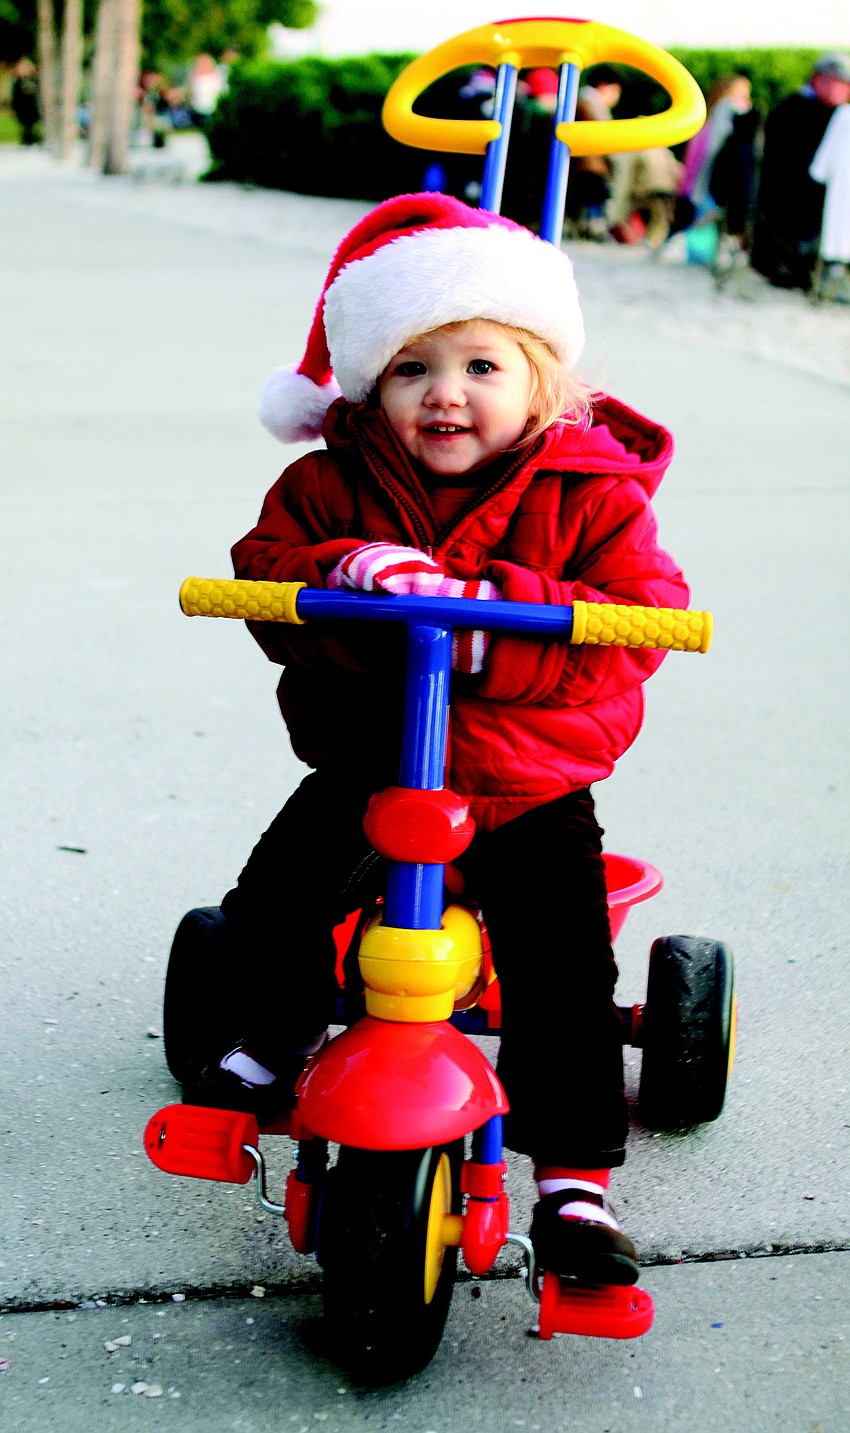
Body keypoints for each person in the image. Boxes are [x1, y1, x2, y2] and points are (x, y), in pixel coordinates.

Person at [187, 192, 689, 1287]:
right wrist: (343, 572)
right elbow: (264, 573)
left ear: (543, 382)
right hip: (372, 759)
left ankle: (573, 1183)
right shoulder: (329, 483)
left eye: (480, 365)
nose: (444, 392)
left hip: (523, 782)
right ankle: (274, 1041)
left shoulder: (594, 492)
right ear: (371, 388)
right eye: (412, 369)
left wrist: (479, 616)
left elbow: (637, 620)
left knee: (561, 970)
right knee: (272, 902)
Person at [751, 52, 850, 290]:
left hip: (796, 201)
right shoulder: (799, 110)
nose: (844, 90)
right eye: (839, 82)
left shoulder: (809, 109)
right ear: (817, 80)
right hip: (790, 206)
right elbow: (809, 171)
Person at [564, 65, 623, 239]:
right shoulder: (592, 105)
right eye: (615, 91)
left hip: (578, 166)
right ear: (603, 86)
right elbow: (605, 138)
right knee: (593, 205)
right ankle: (591, 230)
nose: (616, 97)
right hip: (591, 167)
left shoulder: (577, 101)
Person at [809, 103, 850, 302]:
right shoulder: (844, 114)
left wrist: (820, 171)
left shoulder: (844, 114)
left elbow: (822, 163)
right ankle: (832, 278)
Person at [11, 57, 41, 147]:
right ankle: (27, 137)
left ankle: (31, 137)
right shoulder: (18, 83)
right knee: (25, 124)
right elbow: (15, 96)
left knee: (30, 124)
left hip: (31, 106)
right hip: (22, 106)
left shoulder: (33, 81)